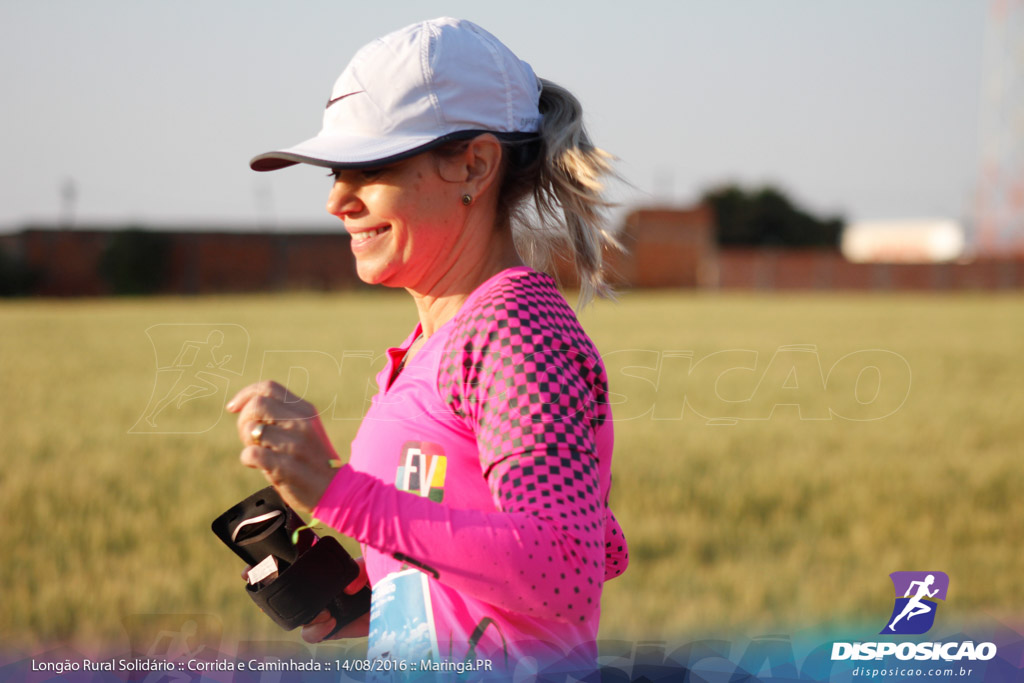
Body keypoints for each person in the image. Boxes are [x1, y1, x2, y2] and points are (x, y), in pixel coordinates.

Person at [225, 17, 628, 676]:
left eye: (369, 167)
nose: (337, 200)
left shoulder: (518, 333)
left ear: (473, 163)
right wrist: (377, 599)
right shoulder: (434, 344)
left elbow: (562, 569)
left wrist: (339, 493)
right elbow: (486, 572)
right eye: (334, 172)